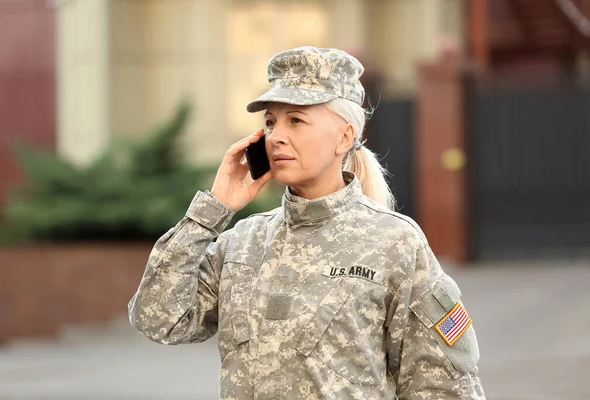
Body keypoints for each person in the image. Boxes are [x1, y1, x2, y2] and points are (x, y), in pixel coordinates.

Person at [128, 46, 485, 399]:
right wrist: (212, 211)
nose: (276, 136)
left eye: (296, 120)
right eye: (270, 122)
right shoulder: (243, 243)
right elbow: (158, 320)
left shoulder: (394, 242)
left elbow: (445, 387)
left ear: (344, 137)